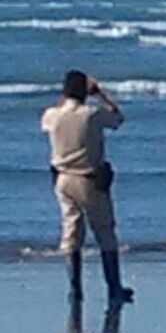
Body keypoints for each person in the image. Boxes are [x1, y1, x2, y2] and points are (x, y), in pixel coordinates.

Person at [40, 70, 134, 306]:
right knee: (105, 232)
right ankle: (114, 288)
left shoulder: (51, 116)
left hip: (62, 179)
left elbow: (55, 115)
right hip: (89, 178)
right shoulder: (91, 114)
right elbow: (118, 118)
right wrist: (100, 94)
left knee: (71, 232)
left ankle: (75, 289)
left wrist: (67, 96)